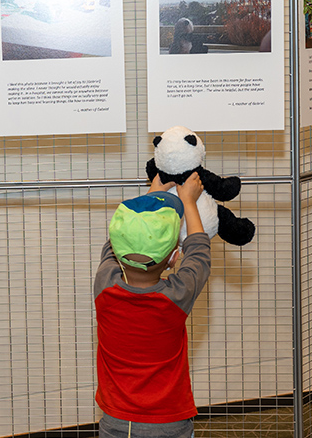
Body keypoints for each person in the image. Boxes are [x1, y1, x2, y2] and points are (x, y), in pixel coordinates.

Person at [94, 172, 207, 438]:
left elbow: (118, 242)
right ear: (174, 257)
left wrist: (151, 198)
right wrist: (188, 202)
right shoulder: (176, 296)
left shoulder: (105, 286)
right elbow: (200, 252)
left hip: (116, 421)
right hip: (170, 424)